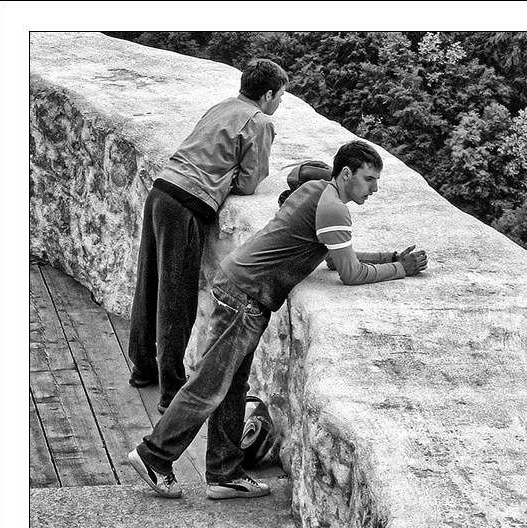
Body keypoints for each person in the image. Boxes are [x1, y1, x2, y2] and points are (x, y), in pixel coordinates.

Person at [128, 140, 428, 499]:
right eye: (369, 180)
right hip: (246, 296)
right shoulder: (334, 209)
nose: (374, 189)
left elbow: (335, 258)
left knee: (232, 388)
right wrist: (400, 269)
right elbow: (349, 272)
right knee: (207, 386)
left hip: (240, 287)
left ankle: (224, 473)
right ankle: (154, 456)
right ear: (346, 174)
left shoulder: (317, 190)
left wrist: (391, 255)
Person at [127, 58, 288, 415]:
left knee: (149, 281)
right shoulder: (260, 122)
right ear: (267, 94)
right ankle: (172, 391)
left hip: (162, 189)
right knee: (177, 298)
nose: (279, 104)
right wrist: (227, 178)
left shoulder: (223, 106)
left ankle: (142, 367)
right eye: (280, 96)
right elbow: (249, 183)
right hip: (188, 203)